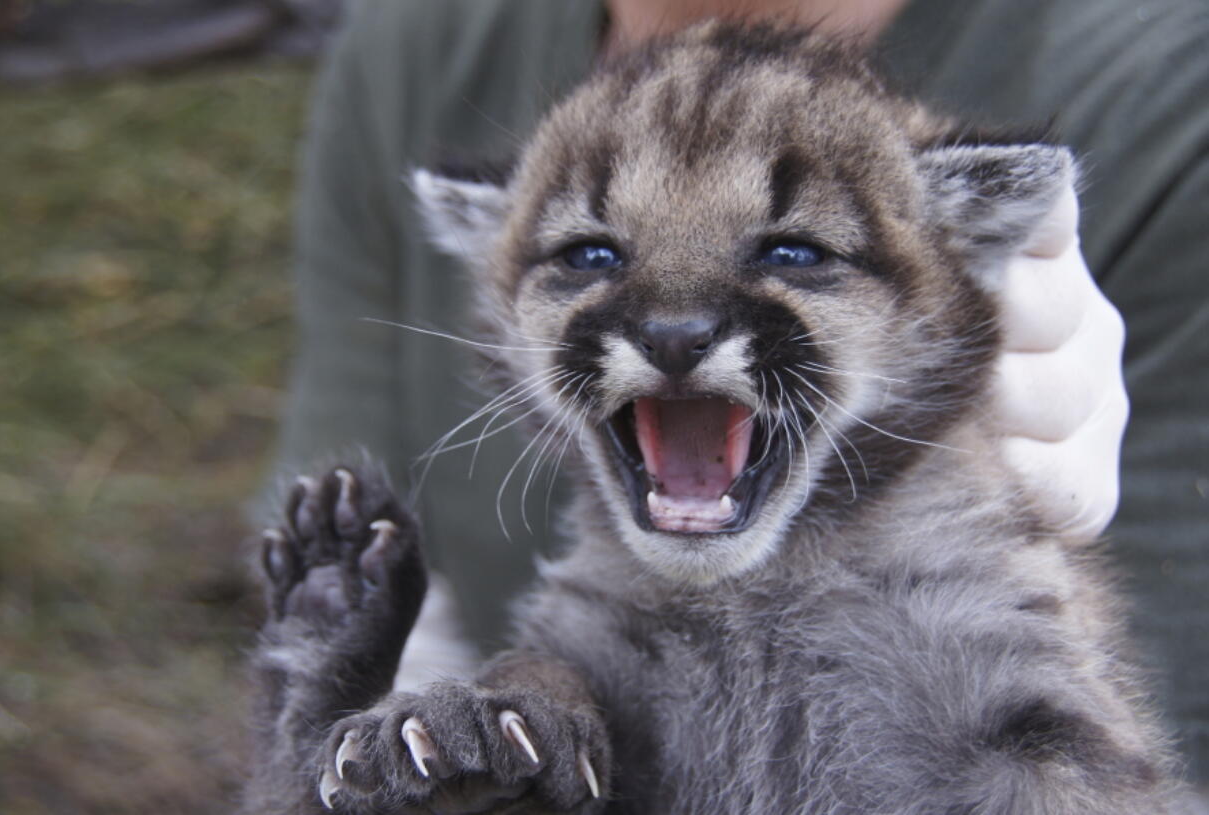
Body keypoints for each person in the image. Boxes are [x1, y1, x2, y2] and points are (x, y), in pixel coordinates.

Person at [272, 0, 1209, 784]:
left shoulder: (1164, 87)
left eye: (793, 250)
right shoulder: (413, 47)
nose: (673, 325)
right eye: (591, 255)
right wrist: (393, 734)